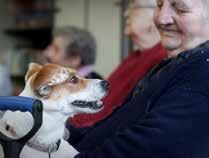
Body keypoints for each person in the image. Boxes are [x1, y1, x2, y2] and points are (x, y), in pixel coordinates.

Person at [66, 0, 209, 157]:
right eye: (160, 5)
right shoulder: (175, 63)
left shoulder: (202, 72)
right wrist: (64, 135)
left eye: (181, 9)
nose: (161, 19)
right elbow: (117, 124)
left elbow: (148, 147)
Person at [70, 0, 167, 127]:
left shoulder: (161, 58)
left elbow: (126, 118)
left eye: (133, 7)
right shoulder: (135, 57)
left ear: (155, 14)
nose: (126, 13)